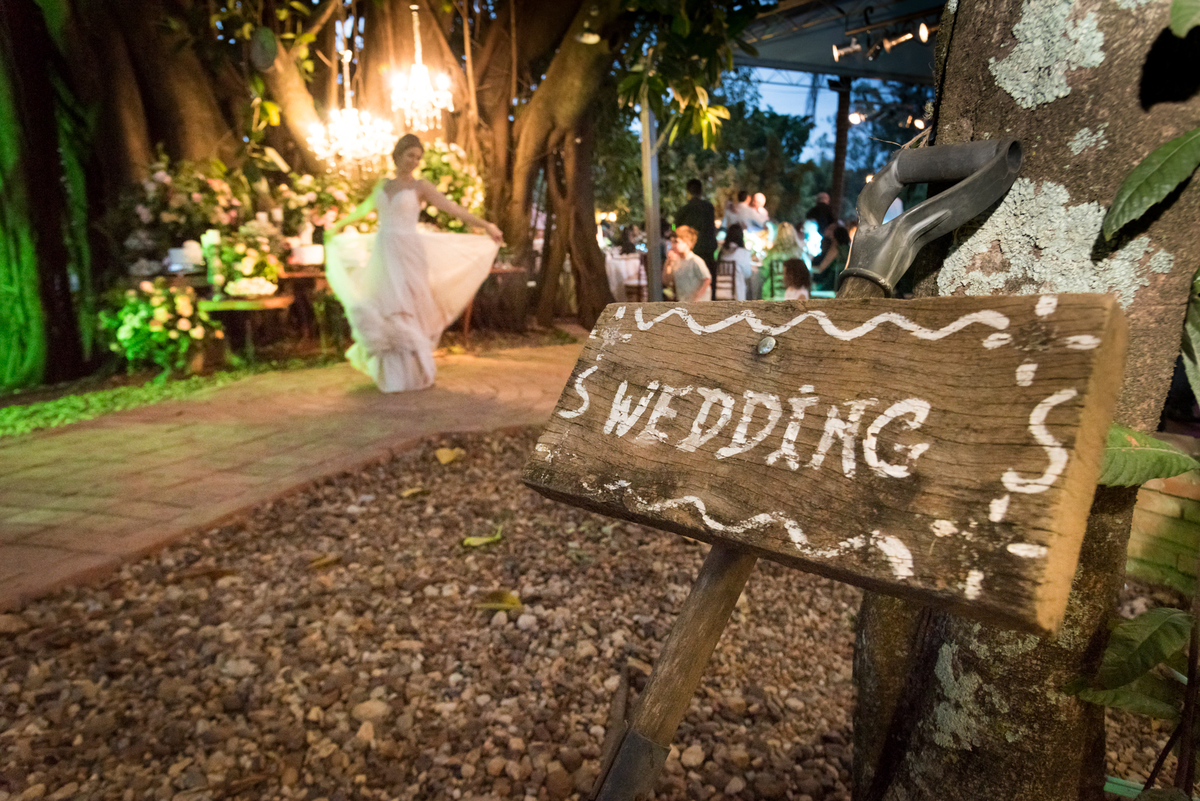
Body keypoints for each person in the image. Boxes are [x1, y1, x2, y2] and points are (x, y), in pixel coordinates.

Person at [324, 133, 504, 393]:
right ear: (398, 155)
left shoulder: (421, 186)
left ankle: (414, 372)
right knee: (383, 303)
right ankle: (390, 374)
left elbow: (451, 208)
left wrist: (486, 225)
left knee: (407, 306)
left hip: (408, 252)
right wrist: (337, 226)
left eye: (418, 158)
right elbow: (363, 210)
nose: (414, 161)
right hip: (384, 252)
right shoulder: (383, 185)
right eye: (410, 155)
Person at [674, 178, 719, 285]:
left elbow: (674, 226)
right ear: (701, 191)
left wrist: (672, 229)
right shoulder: (709, 208)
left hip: (691, 250)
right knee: (709, 279)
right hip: (708, 250)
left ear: (688, 192)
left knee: (692, 283)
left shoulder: (683, 210)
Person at [760, 222, 804, 300]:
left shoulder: (772, 254)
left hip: (772, 295)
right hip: (792, 295)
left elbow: (764, 273)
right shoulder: (799, 255)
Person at [666, 225, 711, 303]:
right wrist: (668, 263)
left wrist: (698, 297)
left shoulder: (695, 260)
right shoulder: (675, 260)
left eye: (677, 242)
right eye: (672, 242)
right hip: (684, 301)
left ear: (687, 243)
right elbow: (666, 280)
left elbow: (707, 279)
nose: (673, 245)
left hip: (698, 303)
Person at [716, 223, 755, 300]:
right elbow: (748, 274)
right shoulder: (744, 253)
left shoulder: (721, 252)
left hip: (720, 291)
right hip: (736, 294)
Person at [812, 223, 851, 294]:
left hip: (833, 282)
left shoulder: (836, 248)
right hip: (845, 281)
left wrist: (807, 268)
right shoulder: (848, 248)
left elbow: (820, 268)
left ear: (835, 236)